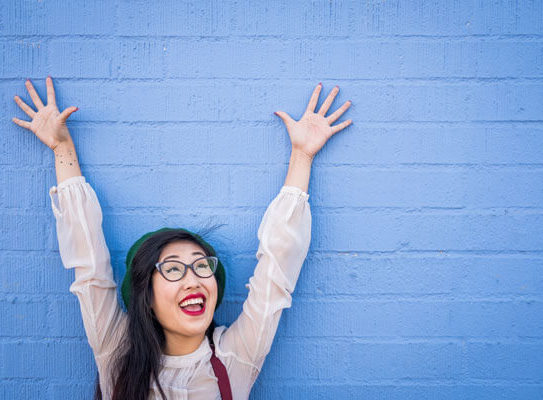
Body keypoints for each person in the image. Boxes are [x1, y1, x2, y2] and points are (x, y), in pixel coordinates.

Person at [12, 77, 353, 400]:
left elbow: (276, 272)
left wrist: (302, 156)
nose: (194, 279)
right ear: (146, 295)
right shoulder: (116, 351)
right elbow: (90, 267)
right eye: (173, 269)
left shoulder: (236, 356)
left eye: (201, 266)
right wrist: (61, 147)